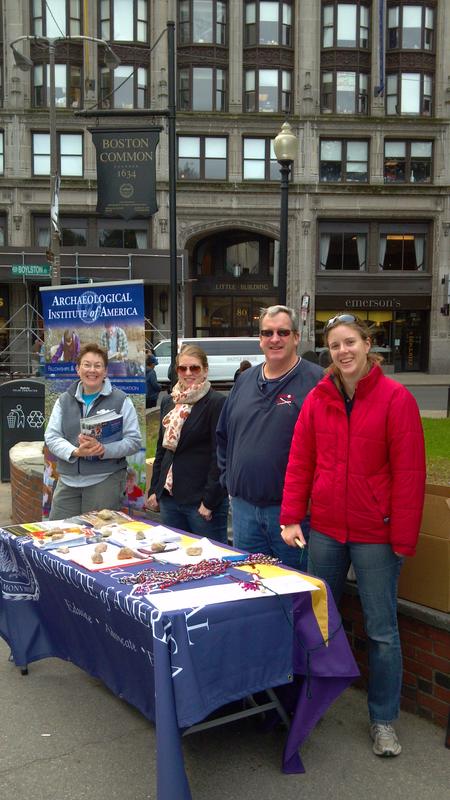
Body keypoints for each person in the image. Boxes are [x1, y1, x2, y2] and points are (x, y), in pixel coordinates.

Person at [280, 313, 426, 757]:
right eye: (335, 345)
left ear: (367, 344)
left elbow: (409, 474)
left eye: (351, 342)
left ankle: (383, 720)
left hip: (374, 535)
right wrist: (291, 518)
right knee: (319, 622)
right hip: (324, 529)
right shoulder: (319, 397)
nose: (343, 351)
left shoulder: (395, 398)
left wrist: (402, 539)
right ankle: (310, 705)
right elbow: (301, 460)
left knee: (381, 631)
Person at [216, 305, 322, 568]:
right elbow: (223, 436)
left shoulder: (317, 382)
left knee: (294, 591)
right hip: (243, 511)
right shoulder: (244, 380)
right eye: (267, 333)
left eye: (283, 332)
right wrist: (228, 481)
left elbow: (330, 448)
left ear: (296, 337)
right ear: (260, 339)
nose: (275, 339)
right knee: (250, 587)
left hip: (291, 515)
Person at [45, 343, 142, 519]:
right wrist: (74, 451)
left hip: (104, 481)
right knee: (59, 536)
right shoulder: (63, 400)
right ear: (78, 369)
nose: (92, 370)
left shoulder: (121, 400)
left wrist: (105, 450)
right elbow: (51, 436)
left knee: (99, 538)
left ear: (105, 371)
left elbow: (134, 441)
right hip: (67, 482)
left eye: (98, 366)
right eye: (87, 365)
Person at [146, 344, 229, 543]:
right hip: (170, 499)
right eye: (183, 368)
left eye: (195, 368)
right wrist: (155, 490)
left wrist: (209, 501)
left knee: (210, 564)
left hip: (200, 503)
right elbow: (161, 449)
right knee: (173, 562)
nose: (188, 373)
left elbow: (220, 455)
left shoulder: (216, 402)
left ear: (205, 370)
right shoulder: (169, 401)